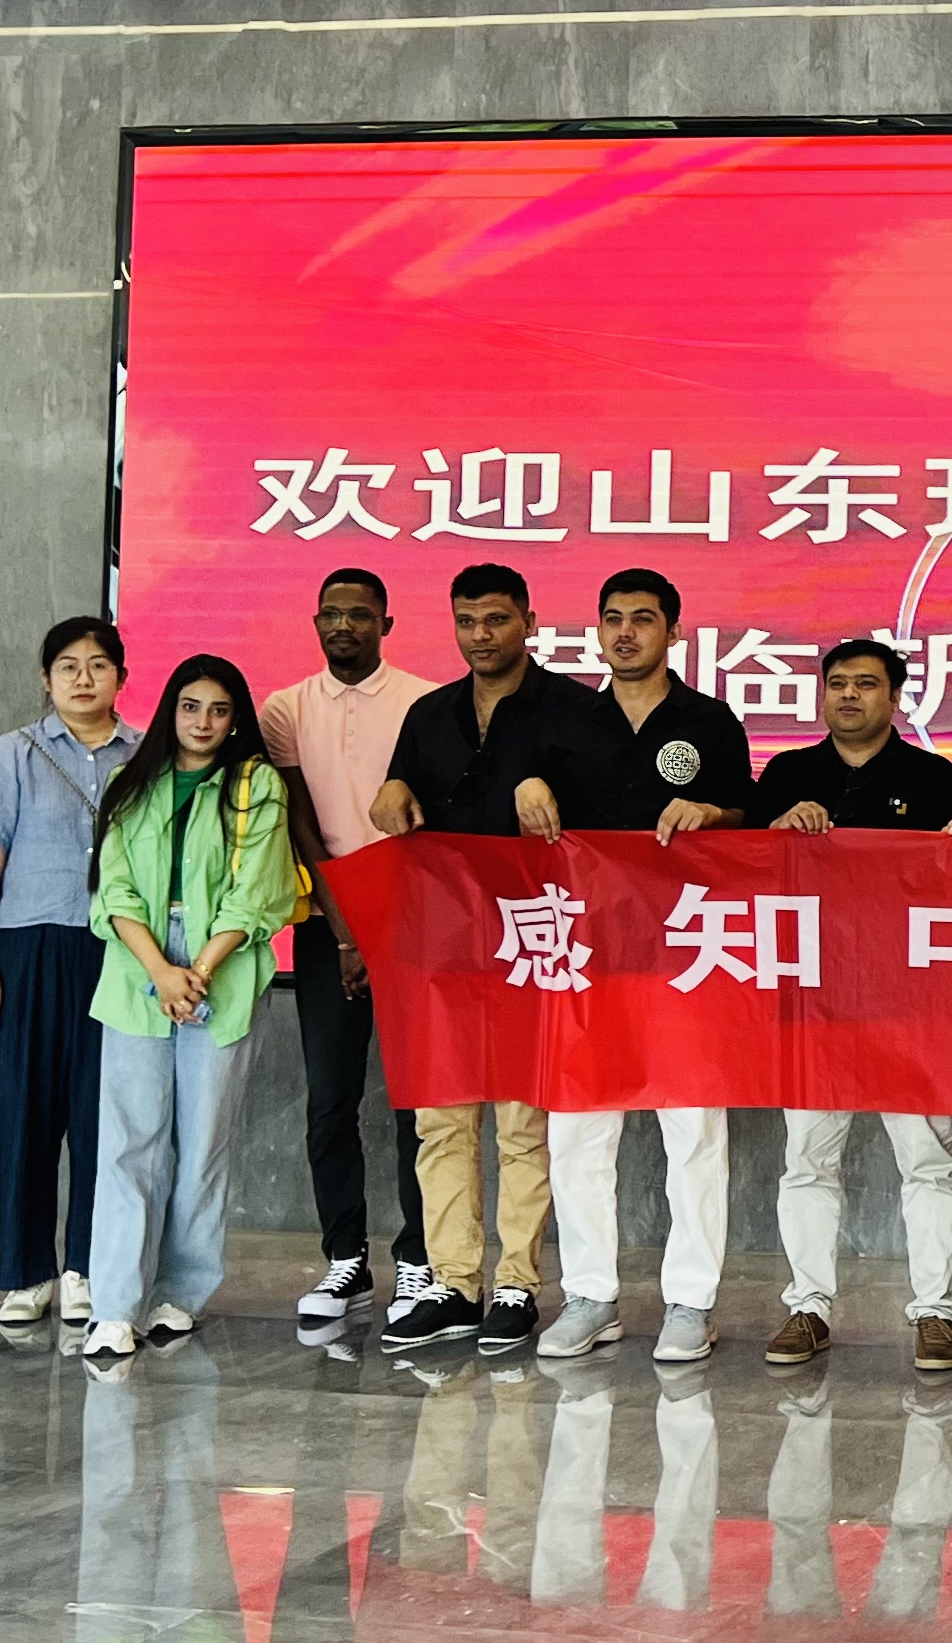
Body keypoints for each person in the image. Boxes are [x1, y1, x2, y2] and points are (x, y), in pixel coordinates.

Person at [369, 564, 600, 1352]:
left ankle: (517, 1284)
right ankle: (454, 1282)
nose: (481, 636)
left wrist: (553, 798)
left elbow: (608, 827)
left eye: (496, 620)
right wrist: (390, 793)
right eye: (467, 622)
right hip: (443, 944)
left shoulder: (574, 710)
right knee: (441, 1122)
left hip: (535, 939)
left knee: (521, 1124)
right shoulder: (429, 713)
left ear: (529, 622)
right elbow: (401, 796)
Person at [538, 568, 756, 1367]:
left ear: (673, 631)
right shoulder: (562, 722)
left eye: (642, 618)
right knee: (578, 1131)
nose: (625, 632)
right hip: (586, 953)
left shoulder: (708, 721)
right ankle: (590, 1295)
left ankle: (690, 1302)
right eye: (613, 619)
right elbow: (522, 813)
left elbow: (750, 817)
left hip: (687, 953)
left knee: (692, 1130)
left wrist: (713, 812)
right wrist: (526, 784)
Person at [751, 638, 952, 1374]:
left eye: (866, 684)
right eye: (838, 683)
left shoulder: (932, 777)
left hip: (910, 1002)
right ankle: (808, 1307)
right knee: (807, 1162)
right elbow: (743, 877)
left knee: (928, 1163)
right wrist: (776, 833)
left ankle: (936, 1312)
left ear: (896, 698)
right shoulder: (786, 774)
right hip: (813, 996)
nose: (849, 695)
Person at [76, 656, 297, 1359]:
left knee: (203, 1144)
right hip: (137, 966)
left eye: (219, 710)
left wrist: (195, 973)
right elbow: (112, 889)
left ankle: (180, 1293)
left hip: (220, 970)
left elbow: (257, 894)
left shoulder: (256, 785)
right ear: (170, 710)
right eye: (190, 707)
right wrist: (159, 970)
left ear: (236, 720)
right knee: (128, 1145)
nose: (203, 722)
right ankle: (114, 1307)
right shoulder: (129, 781)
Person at [258, 566, 439, 1333]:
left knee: (416, 1102)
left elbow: (426, 827)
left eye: (360, 614)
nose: (344, 625)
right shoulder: (285, 708)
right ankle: (345, 1259)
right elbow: (299, 823)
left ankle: (421, 1259)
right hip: (326, 922)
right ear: (315, 622)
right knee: (330, 1098)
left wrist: (378, 930)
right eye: (331, 613)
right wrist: (342, 931)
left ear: (385, 624)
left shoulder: (425, 704)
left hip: (411, 924)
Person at [0, 617, 137, 1329]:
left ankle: (85, 1267)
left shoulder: (145, 755)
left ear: (121, 676)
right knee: (24, 1112)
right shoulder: (15, 753)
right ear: (46, 678)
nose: (83, 678)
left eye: (98, 665)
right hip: (26, 950)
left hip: (116, 951)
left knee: (101, 1119)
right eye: (67, 666)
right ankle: (26, 1272)